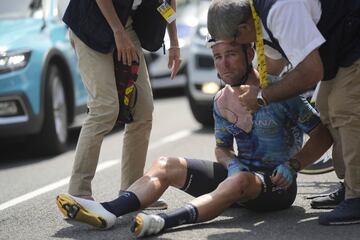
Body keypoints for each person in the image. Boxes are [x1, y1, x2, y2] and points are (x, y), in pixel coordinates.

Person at [56, 41, 333, 237]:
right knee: (166, 164)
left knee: (239, 180)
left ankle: (164, 222)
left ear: (249, 53)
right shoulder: (221, 99)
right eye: (217, 57)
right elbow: (222, 148)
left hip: (276, 187)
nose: (223, 64)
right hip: (238, 177)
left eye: (231, 55)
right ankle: (108, 211)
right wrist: (232, 163)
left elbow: (323, 135)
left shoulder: (278, 91)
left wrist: (293, 165)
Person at [207, 0, 360, 225]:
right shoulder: (256, 21)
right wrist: (243, 87)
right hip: (340, 43)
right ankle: (349, 186)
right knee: (326, 108)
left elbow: (311, 71)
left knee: (343, 108)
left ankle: (357, 196)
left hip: (353, 39)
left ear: (242, 30)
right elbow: (273, 67)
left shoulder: (280, 10)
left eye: (234, 44)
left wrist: (261, 97)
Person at [62, 0, 181, 209]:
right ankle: (78, 192)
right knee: (105, 107)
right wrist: (117, 32)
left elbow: (168, 2)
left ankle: (132, 191)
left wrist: (174, 42)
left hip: (126, 25)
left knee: (143, 110)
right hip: (91, 23)